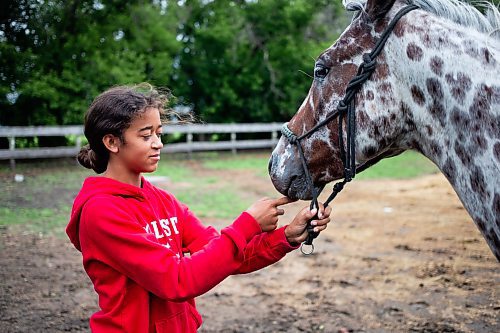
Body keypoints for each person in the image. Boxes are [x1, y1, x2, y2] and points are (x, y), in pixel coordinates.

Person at [66, 84, 331, 333]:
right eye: (146, 135)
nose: (158, 143)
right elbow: (177, 281)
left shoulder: (163, 201)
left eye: (159, 133)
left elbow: (225, 256)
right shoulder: (100, 212)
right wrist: (247, 223)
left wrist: (286, 236)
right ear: (111, 142)